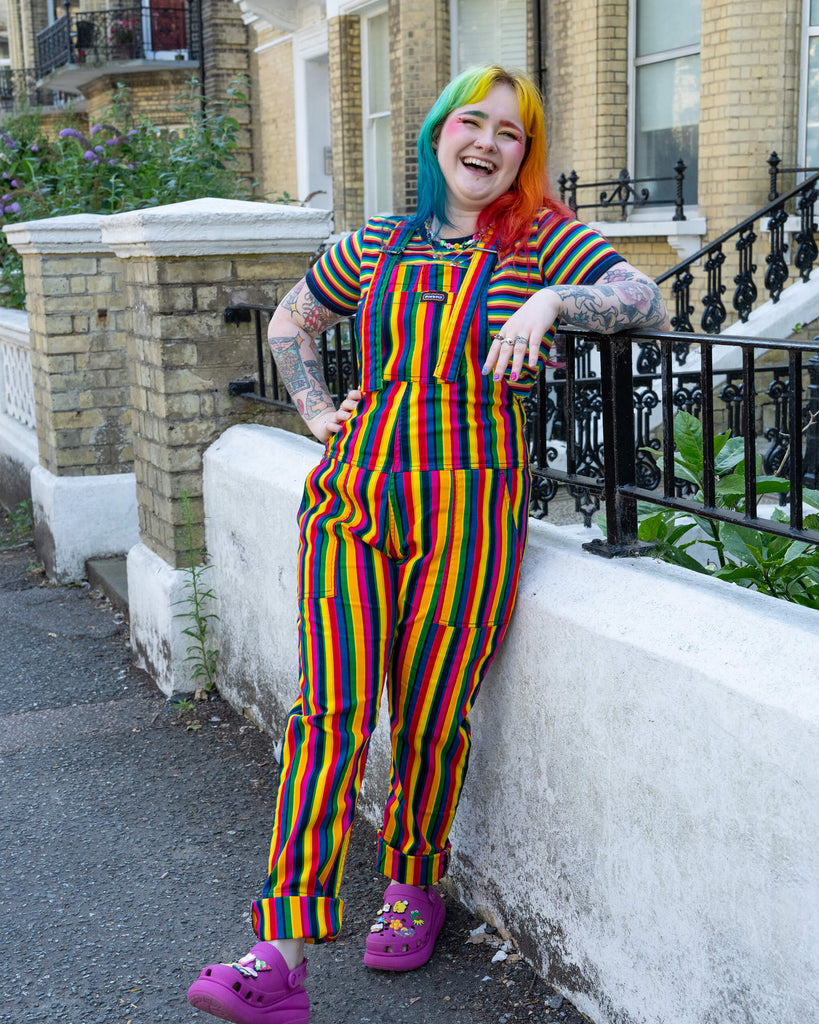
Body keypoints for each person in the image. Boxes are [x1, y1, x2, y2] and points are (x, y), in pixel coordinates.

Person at [187, 64, 669, 1024]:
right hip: (350, 501)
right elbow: (292, 322)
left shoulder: (542, 241)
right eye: (472, 123)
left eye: (512, 133)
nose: (488, 143)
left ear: (524, 155)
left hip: (470, 516)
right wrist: (319, 411)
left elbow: (642, 298)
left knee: (432, 712)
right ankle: (278, 952)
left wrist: (550, 304)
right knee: (326, 709)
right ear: (438, 133)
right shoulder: (373, 244)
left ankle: (414, 883)